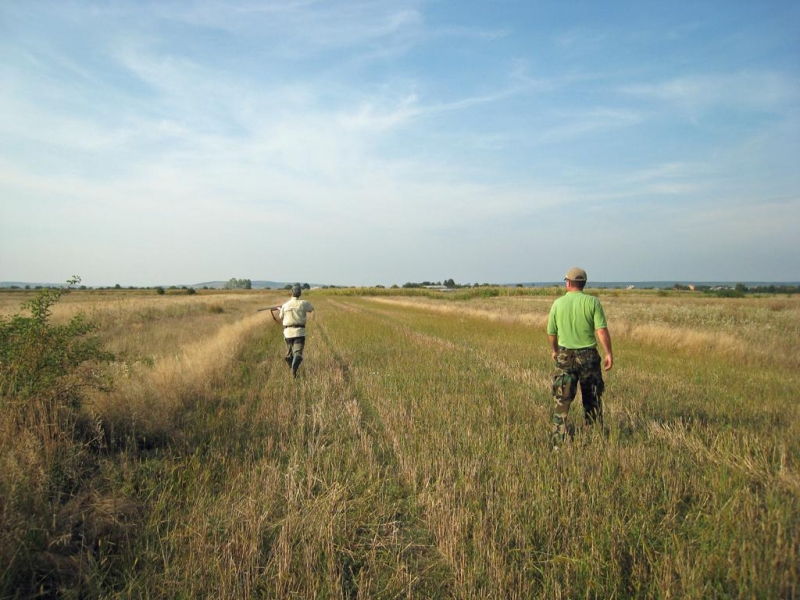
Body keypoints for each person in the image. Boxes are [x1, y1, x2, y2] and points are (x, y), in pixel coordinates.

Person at [546, 267, 613, 446]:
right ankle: (595, 439)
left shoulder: (558, 303)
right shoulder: (593, 302)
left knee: (562, 399)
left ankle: (557, 441)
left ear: (568, 282)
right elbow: (601, 331)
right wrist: (608, 353)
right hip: (588, 356)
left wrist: (555, 350)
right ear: (584, 283)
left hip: (565, 355)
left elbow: (551, 333)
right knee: (592, 398)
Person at [279, 284, 314, 378]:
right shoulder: (304, 303)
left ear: (292, 292)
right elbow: (311, 309)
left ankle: (290, 364)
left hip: (288, 333)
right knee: (298, 353)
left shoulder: (285, 305)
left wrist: (281, 309)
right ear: (300, 293)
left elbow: (280, 317)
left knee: (290, 354)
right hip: (299, 332)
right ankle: (293, 370)